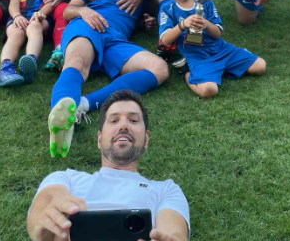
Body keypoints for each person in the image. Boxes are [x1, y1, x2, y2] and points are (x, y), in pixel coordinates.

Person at [48, 0, 168, 158]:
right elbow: (68, 11)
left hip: (116, 40)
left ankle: (83, 105)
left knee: (159, 68)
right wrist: (84, 11)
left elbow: (149, 10)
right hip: (88, 25)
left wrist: (145, 21)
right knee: (77, 63)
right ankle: (61, 118)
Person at [27, 90, 189, 241]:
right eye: (114, 120)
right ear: (99, 139)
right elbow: (42, 211)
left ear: (146, 139)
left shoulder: (166, 190)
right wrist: (46, 222)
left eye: (133, 120)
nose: (124, 126)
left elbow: (174, 232)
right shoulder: (66, 179)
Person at [158, 0, 266, 98]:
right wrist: (182, 25)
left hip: (220, 49)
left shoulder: (204, 0)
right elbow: (165, 40)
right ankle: (187, 73)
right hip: (196, 55)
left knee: (260, 66)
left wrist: (205, 23)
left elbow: (217, 34)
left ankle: (218, 68)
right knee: (209, 91)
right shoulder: (167, 9)